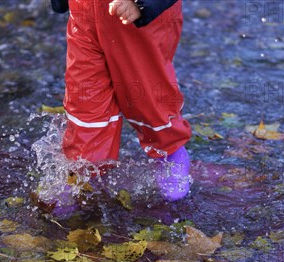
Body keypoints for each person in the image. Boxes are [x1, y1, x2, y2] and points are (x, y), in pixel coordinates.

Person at [48, 0, 192, 214]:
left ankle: (170, 153)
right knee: (85, 96)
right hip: (85, 14)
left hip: (139, 24)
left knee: (149, 97)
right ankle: (86, 169)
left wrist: (144, 4)